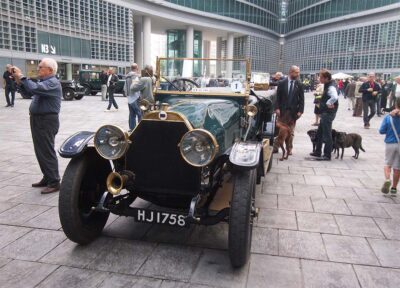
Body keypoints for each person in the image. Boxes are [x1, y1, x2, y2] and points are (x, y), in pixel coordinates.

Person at [12, 58, 61, 194]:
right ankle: (48, 177)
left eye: (40, 67)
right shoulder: (44, 82)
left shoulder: (52, 82)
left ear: (50, 70)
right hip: (38, 119)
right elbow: (28, 92)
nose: (38, 69)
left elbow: (34, 88)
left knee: (46, 150)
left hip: (46, 120)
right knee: (40, 150)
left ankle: (54, 181)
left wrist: (21, 76)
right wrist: (18, 79)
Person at [274, 65, 304, 154]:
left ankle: (289, 148)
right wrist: (277, 108)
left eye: (299, 72)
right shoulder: (282, 83)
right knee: (280, 130)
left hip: (293, 113)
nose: (298, 74)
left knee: (291, 131)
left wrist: (300, 111)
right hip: (282, 112)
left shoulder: (299, 84)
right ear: (291, 72)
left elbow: (302, 99)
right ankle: (276, 147)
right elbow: (277, 97)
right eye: (296, 72)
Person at [310, 69, 339, 161]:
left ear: (326, 78)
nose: (319, 78)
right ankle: (318, 151)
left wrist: (328, 103)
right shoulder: (328, 84)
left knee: (327, 134)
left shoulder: (331, 87)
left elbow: (334, 96)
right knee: (320, 132)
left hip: (328, 113)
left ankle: (327, 155)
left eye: (321, 77)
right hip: (325, 113)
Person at [379, 97, 400, 196]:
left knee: (388, 164)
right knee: (397, 167)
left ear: (396, 104)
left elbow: (381, 131)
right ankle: (394, 188)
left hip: (390, 143)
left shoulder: (389, 117)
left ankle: (387, 179)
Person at [124, 63, 142, 130]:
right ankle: (140, 128)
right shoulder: (135, 76)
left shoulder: (127, 76)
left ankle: (132, 129)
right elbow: (135, 87)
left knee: (132, 114)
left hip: (129, 99)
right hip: (135, 97)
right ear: (136, 68)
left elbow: (124, 88)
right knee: (139, 114)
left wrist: (128, 95)